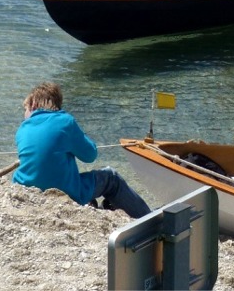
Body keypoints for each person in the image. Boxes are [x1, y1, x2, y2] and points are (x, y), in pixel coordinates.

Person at [12, 82, 152, 219]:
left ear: (34, 105)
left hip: (25, 188)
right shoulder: (65, 122)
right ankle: (149, 219)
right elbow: (90, 155)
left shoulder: (21, 130)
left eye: (25, 109)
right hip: (64, 191)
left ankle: (103, 206)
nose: (25, 113)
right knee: (111, 177)